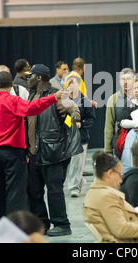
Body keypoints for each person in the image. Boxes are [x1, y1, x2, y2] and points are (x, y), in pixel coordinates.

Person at [0, 71, 61, 225]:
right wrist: (53, 97)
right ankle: (14, 229)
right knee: (15, 194)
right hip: (13, 154)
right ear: (12, 85)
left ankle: (0, 228)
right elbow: (33, 108)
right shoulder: (13, 101)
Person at [25, 64, 82, 237]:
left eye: (31, 76)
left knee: (54, 190)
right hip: (34, 153)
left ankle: (62, 224)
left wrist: (73, 117)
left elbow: (73, 108)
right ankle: (42, 223)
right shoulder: (31, 95)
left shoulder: (57, 94)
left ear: (39, 77)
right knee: (34, 191)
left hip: (53, 153)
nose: (28, 79)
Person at [82, 151, 138, 243]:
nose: (121, 180)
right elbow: (121, 229)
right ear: (110, 173)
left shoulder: (97, 193)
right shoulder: (105, 196)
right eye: (120, 174)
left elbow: (119, 221)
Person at [65, 74, 96, 197]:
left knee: (77, 164)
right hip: (66, 137)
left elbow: (91, 120)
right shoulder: (64, 101)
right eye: (69, 83)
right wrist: (69, 123)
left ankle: (74, 187)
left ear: (79, 85)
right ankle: (79, 181)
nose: (72, 85)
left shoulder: (86, 101)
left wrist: (80, 124)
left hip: (81, 138)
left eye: (74, 83)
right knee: (69, 164)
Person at [104, 68, 135, 155]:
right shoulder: (113, 99)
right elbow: (109, 126)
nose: (125, 82)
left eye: (128, 79)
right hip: (120, 144)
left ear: (134, 80)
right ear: (119, 82)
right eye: (123, 79)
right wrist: (108, 150)